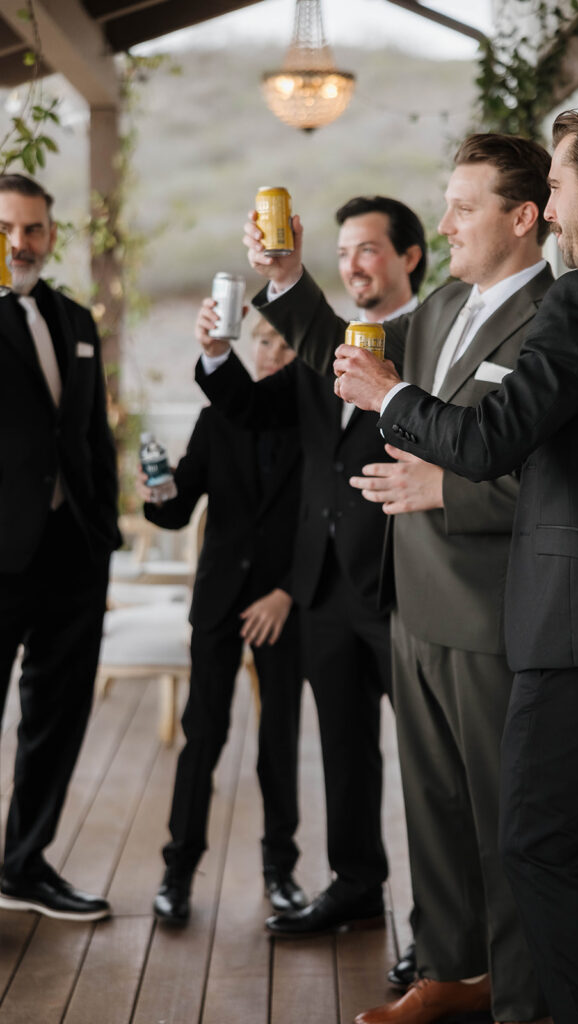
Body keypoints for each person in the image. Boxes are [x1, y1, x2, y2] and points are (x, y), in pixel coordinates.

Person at [333, 96, 578, 1024]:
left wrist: (389, 394)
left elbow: (489, 441)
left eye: (560, 184)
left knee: (533, 845)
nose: (554, 202)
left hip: (576, 626)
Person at [243, 136, 554, 1024]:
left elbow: (558, 476)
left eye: (463, 207)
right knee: (432, 811)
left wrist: (443, 487)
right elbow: (349, 357)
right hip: (412, 601)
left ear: (522, 217)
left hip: (491, 613)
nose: (445, 222)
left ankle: (519, 997)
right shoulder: (448, 299)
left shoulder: (558, 317)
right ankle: (451, 971)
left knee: (506, 827)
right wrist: (288, 276)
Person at [196, 196, 427, 937]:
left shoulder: (433, 338)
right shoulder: (323, 354)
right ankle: (356, 884)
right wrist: (213, 354)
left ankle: (440, 926)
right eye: (346, 251)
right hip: (323, 585)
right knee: (344, 754)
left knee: (430, 768)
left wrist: (286, 278)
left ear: (409, 258)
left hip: (402, 587)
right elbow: (252, 410)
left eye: (369, 249)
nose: (354, 264)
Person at [141, 317, 306, 925]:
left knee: (279, 741)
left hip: (284, 606)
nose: (271, 354)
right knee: (201, 736)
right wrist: (156, 495)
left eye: (285, 346)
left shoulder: (312, 419)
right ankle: (177, 871)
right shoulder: (219, 415)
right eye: (263, 342)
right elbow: (179, 507)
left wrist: (287, 592)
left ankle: (281, 870)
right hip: (218, 600)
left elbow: (324, 524)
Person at [0, 174, 120, 921]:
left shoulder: (75, 318)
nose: (21, 242)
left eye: (34, 228)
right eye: (8, 227)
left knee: (58, 713)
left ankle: (23, 864)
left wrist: (103, 531)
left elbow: (89, 439)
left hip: (72, 550)